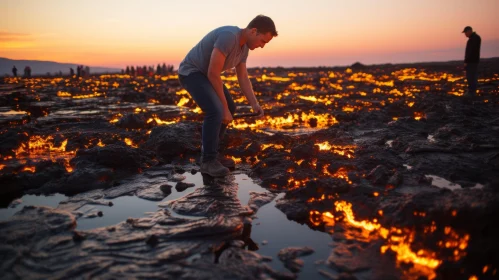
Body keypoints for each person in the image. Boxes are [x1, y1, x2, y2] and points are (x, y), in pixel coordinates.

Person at [178, 15, 278, 177]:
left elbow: (243, 77)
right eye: (263, 41)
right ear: (254, 31)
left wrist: (254, 104)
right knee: (216, 111)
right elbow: (213, 73)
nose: (262, 46)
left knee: (231, 107)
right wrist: (223, 109)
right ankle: (208, 161)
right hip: (192, 73)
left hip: (206, 75)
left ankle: (212, 153)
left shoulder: (244, 47)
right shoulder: (228, 37)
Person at [462, 26, 481, 97]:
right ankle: (471, 91)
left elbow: (471, 51)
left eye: (465, 32)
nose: (465, 34)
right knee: (471, 76)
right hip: (473, 61)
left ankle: (471, 92)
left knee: (471, 76)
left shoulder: (474, 39)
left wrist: (466, 61)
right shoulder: (474, 38)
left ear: (469, 31)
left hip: (472, 62)